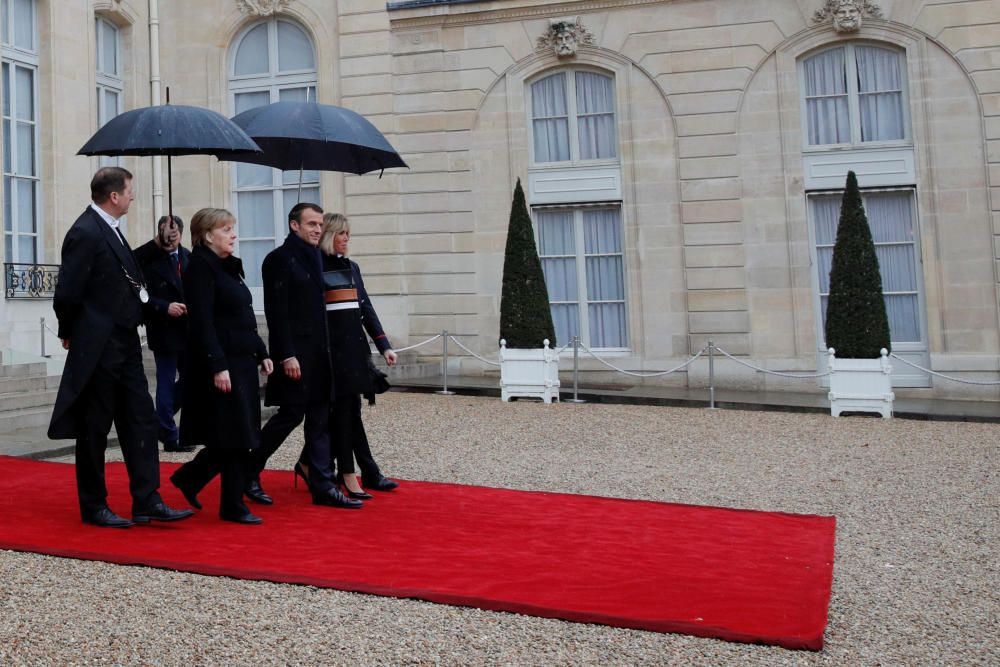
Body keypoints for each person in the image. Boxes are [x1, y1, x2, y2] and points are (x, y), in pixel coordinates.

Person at [48, 166, 194, 528]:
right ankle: (94, 505)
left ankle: (147, 500)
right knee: (95, 426)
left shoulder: (109, 229)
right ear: (114, 196)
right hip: (99, 345)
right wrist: (70, 330)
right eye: (130, 191)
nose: (133, 196)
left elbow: (127, 272)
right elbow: (67, 291)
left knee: (140, 420)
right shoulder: (85, 231)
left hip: (126, 342)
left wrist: (160, 244)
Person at [251, 203, 360, 510]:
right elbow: (277, 312)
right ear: (294, 225)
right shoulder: (278, 260)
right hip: (296, 355)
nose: (317, 229)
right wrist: (286, 355)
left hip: (321, 354)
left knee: (320, 418)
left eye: (320, 224)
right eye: (311, 223)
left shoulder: (317, 257)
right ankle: (249, 469)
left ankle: (323, 485)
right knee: (290, 415)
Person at [169, 208, 274, 524]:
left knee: (237, 435)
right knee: (235, 436)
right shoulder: (200, 268)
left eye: (232, 228)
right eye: (226, 229)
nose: (233, 234)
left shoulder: (227, 267)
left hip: (241, 361)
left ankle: (192, 479)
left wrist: (261, 351)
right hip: (221, 364)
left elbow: (242, 315)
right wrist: (218, 365)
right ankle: (231, 504)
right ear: (207, 235)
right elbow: (202, 322)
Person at [316, 213, 400, 498]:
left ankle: (353, 470)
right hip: (330, 354)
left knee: (350, 412)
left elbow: (366, 309)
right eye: (342, 234)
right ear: (330, 235)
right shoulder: (315, 267)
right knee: (344, 413)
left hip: (354, 352)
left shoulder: (352, 268)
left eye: (348, 234)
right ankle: (354, 472)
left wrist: (384, 345)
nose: (347, 239)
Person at [134, 215, 193, 453]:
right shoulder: (149, 261)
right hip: (164, 330)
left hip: (189, 331)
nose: (170, 237)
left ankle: (160, 422)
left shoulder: (189, 257)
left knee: (192, 380)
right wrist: (164, 306)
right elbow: (140, 294)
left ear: (180, 234)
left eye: (174, 232)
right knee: (166, 383)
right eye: (164, 232)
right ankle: (169, 434)